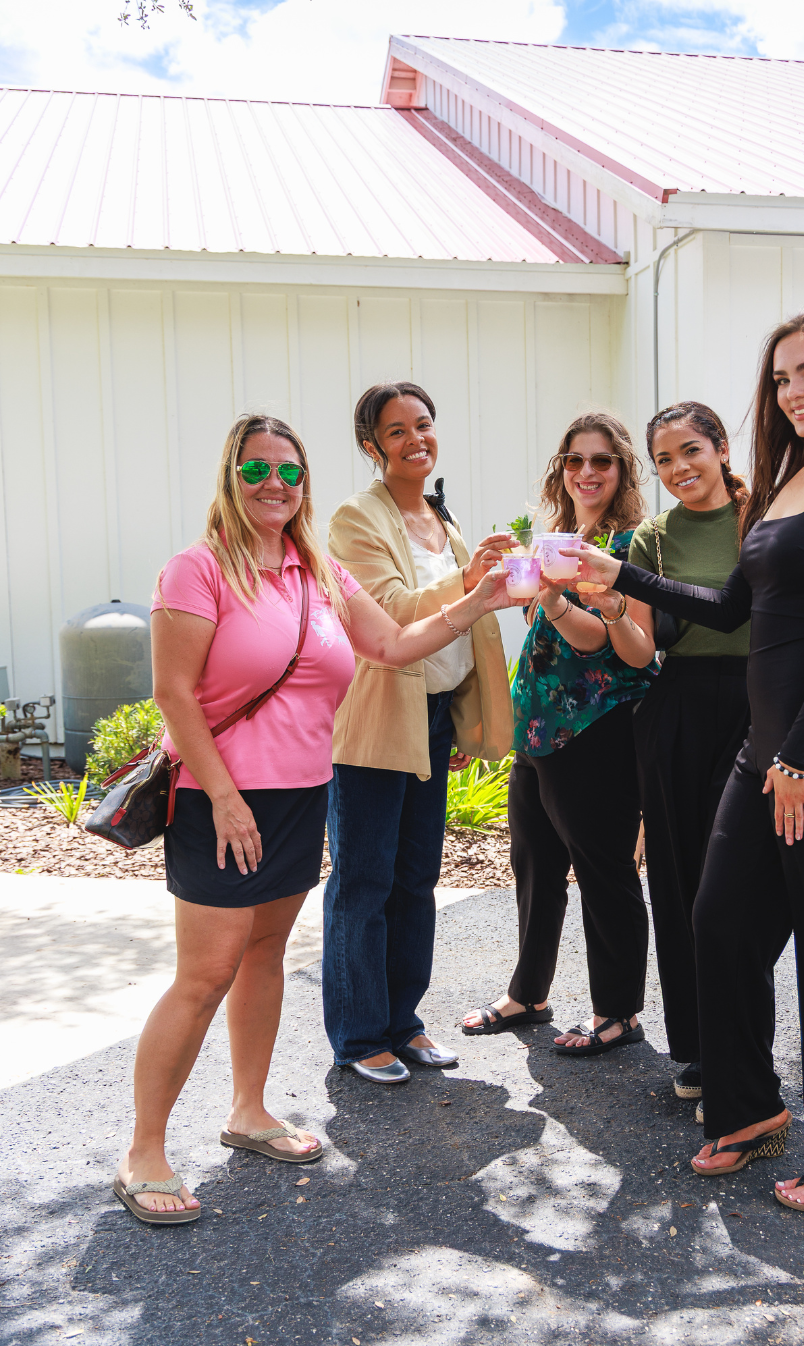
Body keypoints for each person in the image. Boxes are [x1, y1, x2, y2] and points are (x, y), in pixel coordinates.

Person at [113, 413, 511, 1224]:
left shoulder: (319, 571)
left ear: (305, 484)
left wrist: (481, 599)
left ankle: (248, 1111)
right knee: (205, 975)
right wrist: (222, 795)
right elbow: (174, 695)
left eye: (289, 473)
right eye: (257, 471)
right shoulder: (196, 571)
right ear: (232, 476)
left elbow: (396, 645)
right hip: (221, 800)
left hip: (300, 796)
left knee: (264, 956)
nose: (274, 486)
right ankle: (143, 1152)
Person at [569, 307, 804, 1211]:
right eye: (784, 378)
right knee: (718, 924)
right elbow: (724, 609)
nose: (795, 392)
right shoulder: (791, 479)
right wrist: (620, 578)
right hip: (764, 749)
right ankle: (753, 1109)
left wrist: (795, 759)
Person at [324, 382, 514, 1086]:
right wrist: (471, 580)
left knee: (416, 879)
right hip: (375, 723)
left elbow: (464, 632)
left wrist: (464, 714)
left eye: (424, 424)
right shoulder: (355, 519)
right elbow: (392, 612)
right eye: (396, 430)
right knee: (364, 880)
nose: (416, 440)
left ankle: (403, 1023)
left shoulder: (442, 516)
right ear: (371, 446)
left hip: (430, 719)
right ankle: (358, 1035)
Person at [461, 412, 658, 1056]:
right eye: (576, 461)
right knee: (535, 865)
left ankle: (619, 1011)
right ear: (562, 472)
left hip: (595, 732)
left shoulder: (630, 547)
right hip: (538, 729)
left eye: (602, 461)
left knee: (604, 872)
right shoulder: (552, 541)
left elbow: (601, 640)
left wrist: (551, 600)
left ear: (621, 471)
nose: (587, 472)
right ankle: (528, 991)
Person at [628, 402, 750, 1102]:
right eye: (665, 459)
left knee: (739, 884)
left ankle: (745, 1040)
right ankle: (698, 1047)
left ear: (722, 447)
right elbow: (645, 645)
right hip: (676, 709)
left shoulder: (763, 517)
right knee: (677, 881)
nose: (680, 469)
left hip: (758, 703)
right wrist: (608, 607)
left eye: (692, 450)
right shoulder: (653, 536)